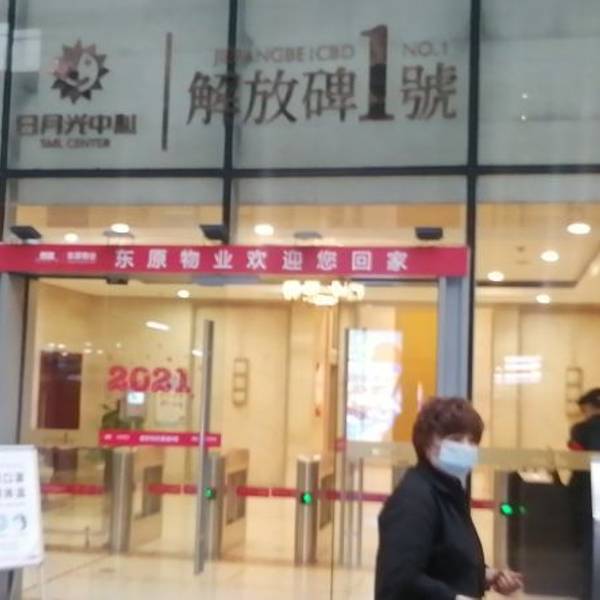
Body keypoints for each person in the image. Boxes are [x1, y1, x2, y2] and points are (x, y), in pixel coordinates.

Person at [375, 397, 523, 600]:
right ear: (427, 444)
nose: (466, 447)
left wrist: (485, 575)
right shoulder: (413, 499)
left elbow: (445, 559)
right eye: (456, 439)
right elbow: (399, 580)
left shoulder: (447, 490)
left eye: (472, 441)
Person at [567, 388, 600, 600]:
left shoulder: (580, 430)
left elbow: (576, 464)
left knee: (590, 549)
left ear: (588, 407)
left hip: (588, 496)